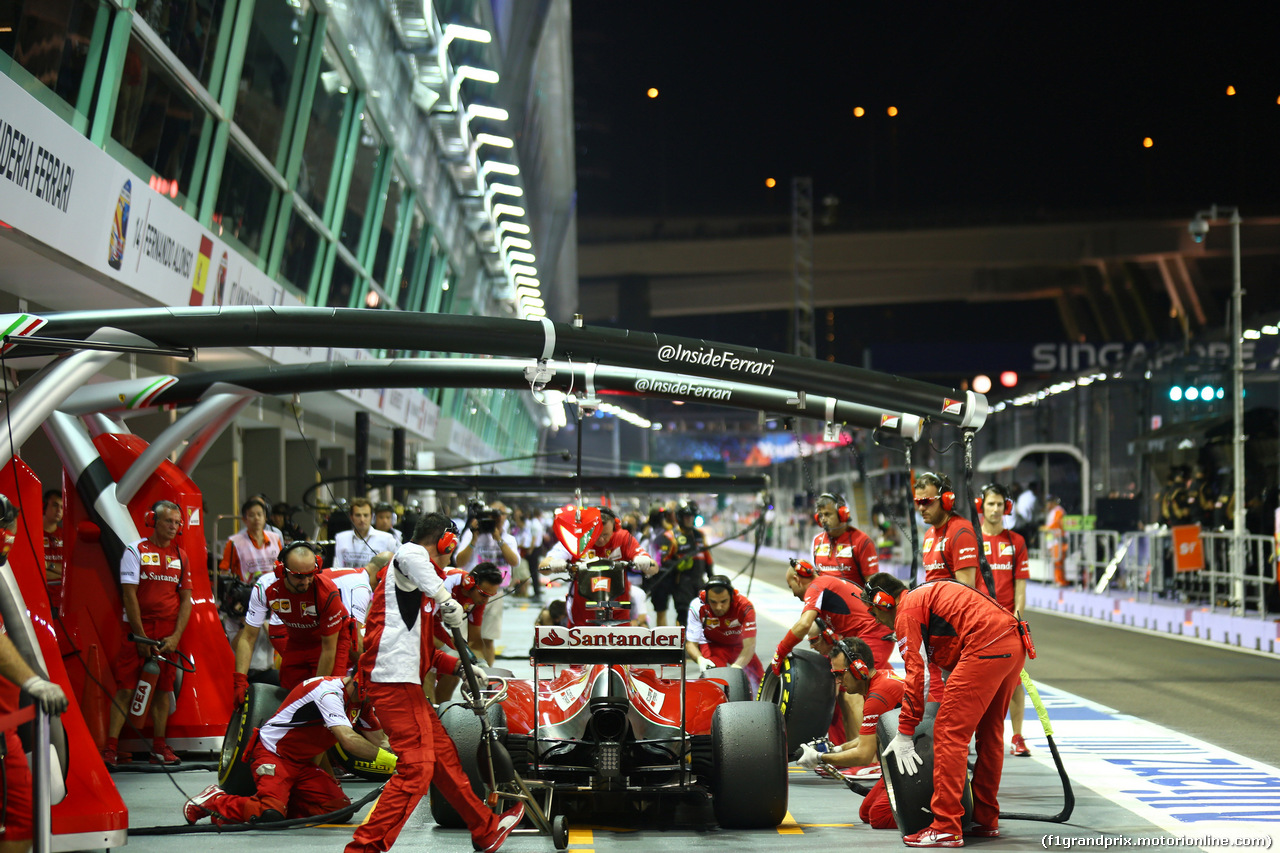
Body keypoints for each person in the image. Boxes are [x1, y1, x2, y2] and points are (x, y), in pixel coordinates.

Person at [343, 512, 524, 853]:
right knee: (417, 768)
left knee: (443, 759)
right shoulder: (409, 559)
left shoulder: (421, 590)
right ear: (444, 541)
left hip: (407, 684)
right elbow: (411, 554)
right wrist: (445, 598)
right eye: (450, 547)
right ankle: (363, 849)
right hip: (393, 684)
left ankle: (484, 828)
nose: (450, 556)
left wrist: (460, 665)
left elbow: (423, 650)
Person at [861, 572, 1026, 847]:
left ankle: (946, 825)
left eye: (873, 610)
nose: (875, 619)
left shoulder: (907, 610)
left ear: (883, 601)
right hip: (1013, 642)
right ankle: (985, 819)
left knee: (949, 733)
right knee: (990, 734)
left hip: (986, 645)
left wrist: (904, 733)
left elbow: (918, 677)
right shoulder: (923, 599)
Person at [183, 674, 390, 826]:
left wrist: (414, 755)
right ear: (362, 684)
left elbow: (381, 741)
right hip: (273, 754)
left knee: (339, 809)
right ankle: (215, 801)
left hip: (301, 762)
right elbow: (348, 740)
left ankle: (275, 806)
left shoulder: (360, 704)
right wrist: (392, 763)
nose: (379, 699)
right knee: (269, 814)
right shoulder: (329, 693)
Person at [0, 493, 70, 853]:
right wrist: (34, 682)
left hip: (7, 723)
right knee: (21, 820)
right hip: (2, 728)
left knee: (20, 822)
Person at [104, 499, 192, 767]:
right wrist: (140, 636)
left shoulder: (181, 556)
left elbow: (187, 600)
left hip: (168, 634)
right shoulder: (136, 550)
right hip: (136, 631)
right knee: (126, 688)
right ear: (153, 520)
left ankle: (158, 747)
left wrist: (176, 636)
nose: (173, 527)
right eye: (168, 521)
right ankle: (110, 749)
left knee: (164, 690)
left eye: (177, 523)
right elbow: (128, 595)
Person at [796, 636, 904, 829]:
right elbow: (869, 735)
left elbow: (864, 755)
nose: (838, 681)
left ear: (858, 669)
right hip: (908, 760)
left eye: (840, 674)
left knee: (878, 817)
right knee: (865, 813)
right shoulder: (877, 682)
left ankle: (935, 810)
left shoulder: (877, 696)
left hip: (919, 765)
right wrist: (837, 749)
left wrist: (820, 758)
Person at [232, 541, 350, 702]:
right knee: (289, 695)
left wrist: (317, 693)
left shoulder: (327, 592)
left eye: (311, 574)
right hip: (297, 640)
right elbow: (248, 637)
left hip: (331, 641)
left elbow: (329, 649)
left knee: (328, 696)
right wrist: (240, 680)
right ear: (281, 571)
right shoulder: (265, 587)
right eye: (298, 576)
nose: (306, 581)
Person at [975, 483, 1032, 757]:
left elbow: (1020, 589)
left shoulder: (1016, 542)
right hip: (978, 623)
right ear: (981, 507)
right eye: (990, 504)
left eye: (1000, 504)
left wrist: (1018, 621)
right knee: (976, 680)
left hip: (1008, 623)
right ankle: (975, 732)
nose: (996, 509)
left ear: (1006, 507)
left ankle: (1018, 736)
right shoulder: (972, 541)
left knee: (1016, 680)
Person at [772, 558, 893, 673]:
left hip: (872, 632)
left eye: (790, 586)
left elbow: (804, 624)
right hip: (869, 632)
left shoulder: (816, 586)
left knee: (857, 683)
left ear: (797, 579)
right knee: (844, 677)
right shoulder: (824, 584)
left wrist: (780, 652)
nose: (793, 593)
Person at [540, 506, 656, 626]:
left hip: (618, 610)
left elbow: (654, 568)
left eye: (606, 535)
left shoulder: (623, 538)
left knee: (622, 641)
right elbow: (543, 567)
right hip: (582, 611)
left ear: (615, 528)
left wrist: (643, 561)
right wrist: (553, 563)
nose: (601, 540)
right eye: (597, 535)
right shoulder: (576, 538)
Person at [455, 501, 522, 666]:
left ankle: (488, 676)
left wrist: (498, 539)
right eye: (491, 515)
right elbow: (459, 561)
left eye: (499, 514)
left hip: (495, 594)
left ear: (505, 517)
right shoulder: (472, 535)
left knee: (488, 638)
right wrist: (473, 538)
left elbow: (514, 562)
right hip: (472, 591)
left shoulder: (508, 538)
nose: (495, 518)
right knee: (461, 638)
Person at [432, 562, 504, 702]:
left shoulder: (477, 600)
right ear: (469, 583)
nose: (485, 600)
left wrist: (482, 665)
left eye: (490, 595)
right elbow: (421, 625)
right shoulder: (447, 583)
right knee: (437, 666)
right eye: (483, 594)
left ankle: (440, 711)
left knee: (455, 667)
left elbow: (474, 641)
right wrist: (447, 650)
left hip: (433, 623)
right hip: (418, 621)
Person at [684, 575, 763, 694]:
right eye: (713, 602)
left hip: (739, 646)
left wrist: (737, 667)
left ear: (732, 597)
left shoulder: (745, 607)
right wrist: (700, 660)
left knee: (759, 682)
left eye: (723, 601)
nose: (719, 607)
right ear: (706, 598)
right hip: (712, 645)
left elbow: (749, 646)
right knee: (717, 683)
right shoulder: (697, 606)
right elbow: (691, 644)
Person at [652, 501, 712, 627]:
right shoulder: (670, 536)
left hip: (699, 581)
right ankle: (683, 643)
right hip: (681, 582)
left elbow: (707, 557)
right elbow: (662, 560)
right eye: (687, 517)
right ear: (680, 518)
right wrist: (678, 563)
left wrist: (712, 577)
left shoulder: (699, 535)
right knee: (684, 614)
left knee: (703, 614)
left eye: (692, 517)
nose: (690, 520)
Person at [914, 473, 978, 587]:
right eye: (918, 502)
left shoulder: (961, 532)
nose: (921, 508)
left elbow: (967, 591)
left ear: (946, 500)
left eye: (926, 502)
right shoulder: (929, 534)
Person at [811, 492, 879, 586]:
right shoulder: (817, 541)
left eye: (827, 514)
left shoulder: (862, 541)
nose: (823, 519)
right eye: (820, 515)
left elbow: (873, 583)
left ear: (842, 515)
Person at [219, 497, 283, 583]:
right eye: (252, 515)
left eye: (259, 514)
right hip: (247, 592)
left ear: (265, 517)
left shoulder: (275, 538)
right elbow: (225, 571)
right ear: (244, 519)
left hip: (274, 590)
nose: (256, 518)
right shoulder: (235, 542)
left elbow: (282, 565)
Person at [334, 498, 398, 568]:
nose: (362, 519)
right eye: (358, 515)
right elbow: (337, 568)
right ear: (351, 517)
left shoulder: (387, 539)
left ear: (372, 517)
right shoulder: (341, 538)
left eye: (366, 515)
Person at [41, 489, 63, 615]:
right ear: (44, 506)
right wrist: (59, 574)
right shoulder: (32, 533)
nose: (59, 510)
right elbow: (36, 572)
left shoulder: (66, 536)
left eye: (62, 506)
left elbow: (68, 574)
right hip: (39, 600)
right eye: (55, 505)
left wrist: (48, 565)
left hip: (61, 602)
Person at [1043, 495, 1067, 587]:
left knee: (1058, 561)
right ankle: (1057, 580)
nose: (1047, 504)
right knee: (1056, 561)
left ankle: (1061, 581)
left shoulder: (1058, 510)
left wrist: (1046, 528)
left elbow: (1055, 524)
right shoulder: (1052, 511)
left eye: (1049, 502)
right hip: (1053, 541)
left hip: (1059, 540)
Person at [1014, 481, 1039, 548]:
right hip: (1027, 524)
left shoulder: (1022, 496)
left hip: (1019, 523)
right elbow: (1036, 512)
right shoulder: (1033, 498)